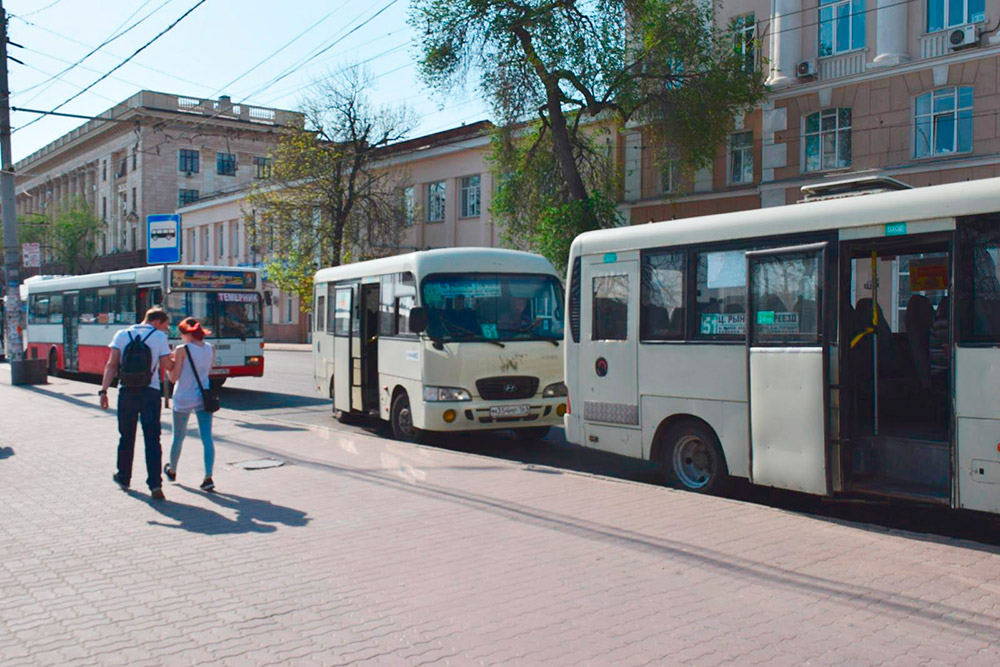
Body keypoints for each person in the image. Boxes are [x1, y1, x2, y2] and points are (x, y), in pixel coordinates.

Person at [100, 307, 174, 500]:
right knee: (152, 439)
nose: (165, 330)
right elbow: (168, 366)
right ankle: (155, 484)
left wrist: (104, 391)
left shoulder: (122, 334)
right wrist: (175, 356)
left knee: (126, 436)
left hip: (126, 392)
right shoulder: (158, 337)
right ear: (157, 322)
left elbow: (111, 365)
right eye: (165, 326)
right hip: (150, 393)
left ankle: (124, 477)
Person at [164, 317, 216, 492]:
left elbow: (173, 378)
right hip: (203, 396)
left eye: (181, 333)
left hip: (183, 397)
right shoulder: (210, 348)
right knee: (207, 438)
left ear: (186, 333)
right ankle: (208, 477)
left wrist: (168, 365)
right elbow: (207, 373)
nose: (180, 337)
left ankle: (172, 470)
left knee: (178, 437)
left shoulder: (182, 349)